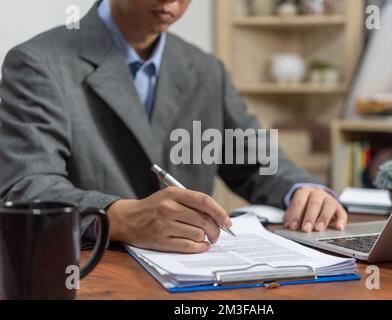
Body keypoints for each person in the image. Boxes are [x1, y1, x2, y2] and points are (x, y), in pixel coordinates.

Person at [0, 0, 347, 253]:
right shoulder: (38, 63)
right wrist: (119, 218)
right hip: (92, 272)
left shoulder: (206, 70)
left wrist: (301, 189)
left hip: (195, 276)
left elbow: (253, 157)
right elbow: (27, 186)